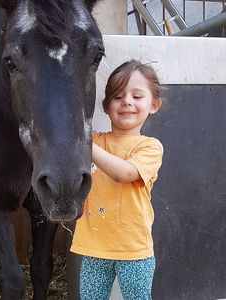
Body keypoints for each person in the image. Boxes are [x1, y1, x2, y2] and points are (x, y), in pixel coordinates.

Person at [70, 60, 163, 300]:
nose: (127, 102)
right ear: (105, 106)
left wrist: (86, 144)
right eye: (118, 96)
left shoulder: (149, 147)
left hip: (134, 250)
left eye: (137, 96)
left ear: (154, 105)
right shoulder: (96, 140)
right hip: (94, 248)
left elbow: (126, 174)